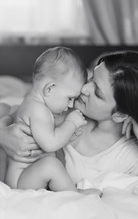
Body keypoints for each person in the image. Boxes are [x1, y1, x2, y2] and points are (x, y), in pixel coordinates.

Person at [0, 51, 138, 196]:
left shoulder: (129, 156)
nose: (84, 89)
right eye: (92, 77)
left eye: (98, 93)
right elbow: (11, 111)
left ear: (119, 114)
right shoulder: (64, 106)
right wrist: (3, 135)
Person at [3, 46, 88, 191]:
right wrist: (71, 123)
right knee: (51, 166)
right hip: (20, 179)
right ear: (49, 89)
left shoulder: (32, 103)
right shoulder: (38, 110)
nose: (71, 104)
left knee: (53, 163)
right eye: (70, 98)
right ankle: (75, 194)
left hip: (26, 174)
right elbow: (50, 144)